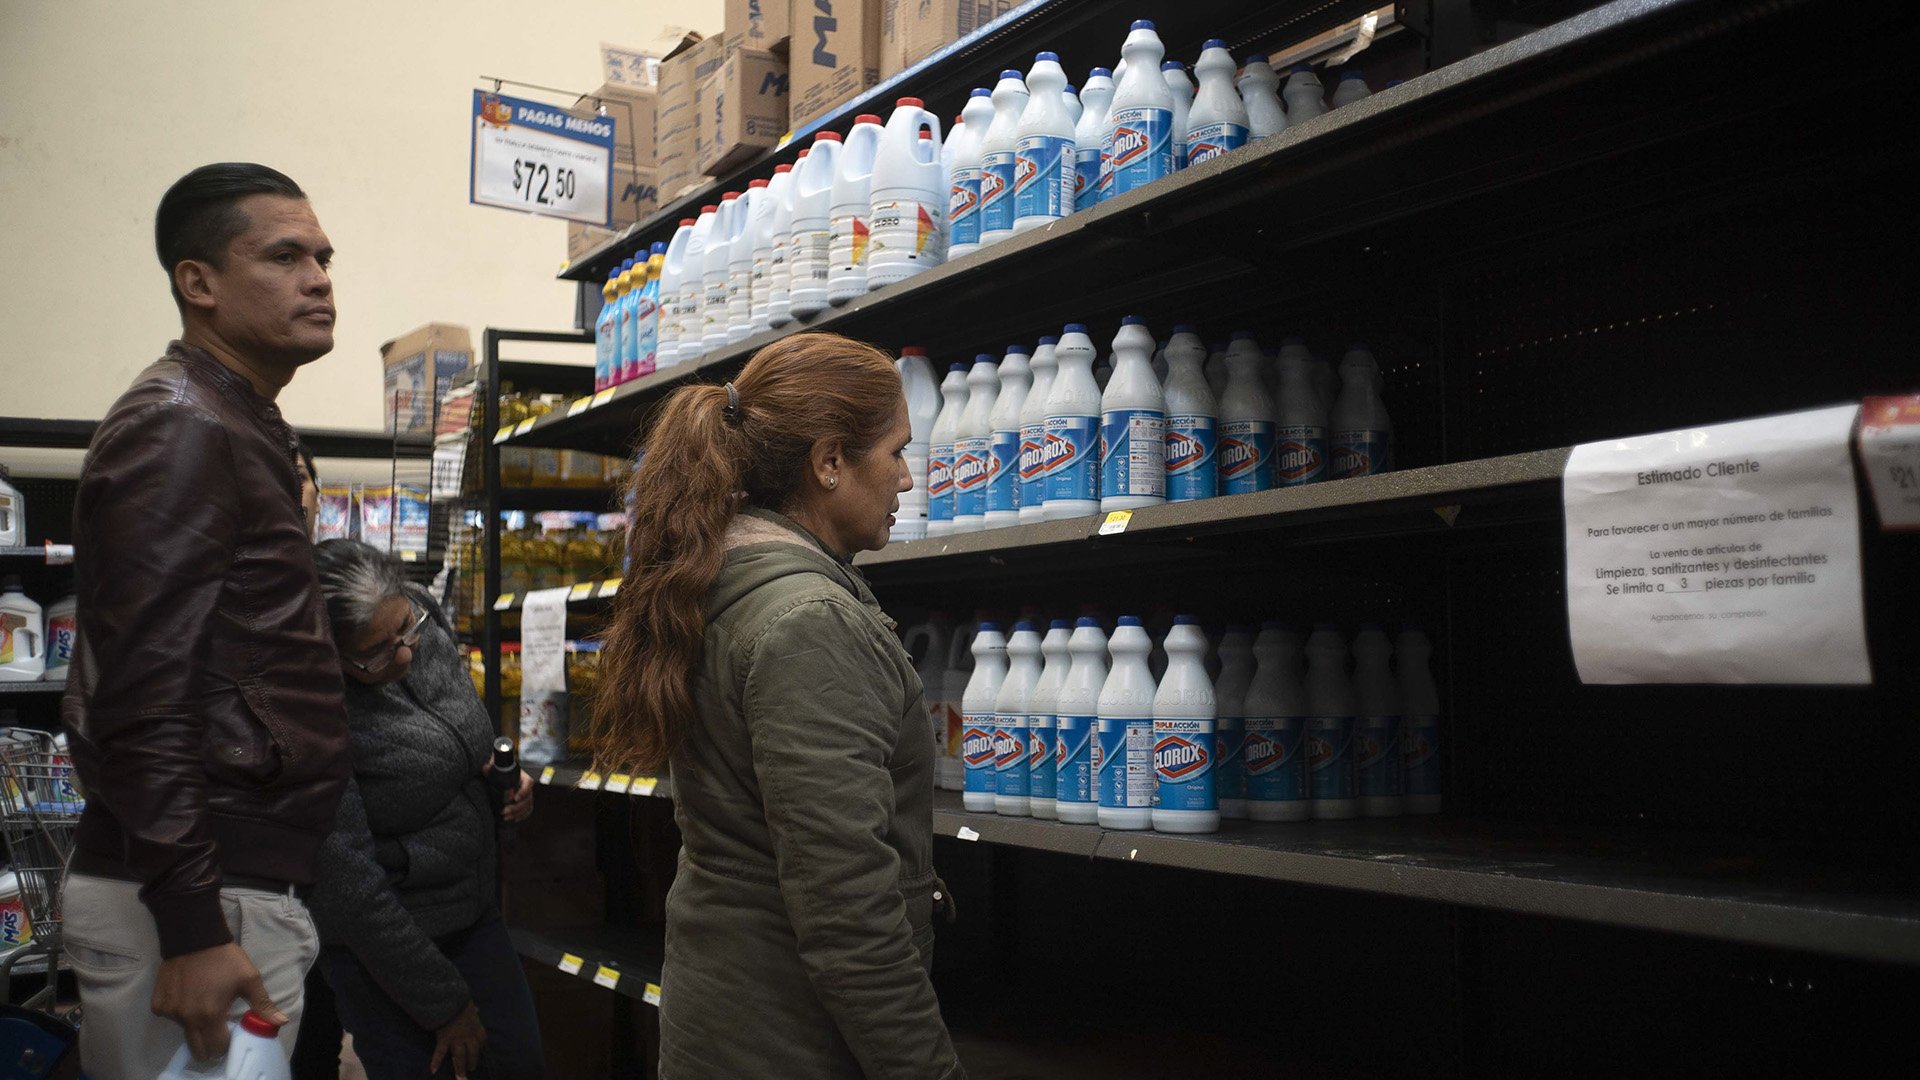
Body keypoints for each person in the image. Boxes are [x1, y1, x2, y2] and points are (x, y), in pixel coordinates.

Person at [595, 332, 965, 1079]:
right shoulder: (809, 624)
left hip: (733, 1016)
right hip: (785, 1038)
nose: (908, 479)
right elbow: (848, 918)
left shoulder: (725, 582)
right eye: (895, 452)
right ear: (830, 462)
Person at [60, 162, 351, 1078]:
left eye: (324, 256)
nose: (318, 277)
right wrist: (190, 923)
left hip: (227, 882)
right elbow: (142, 692)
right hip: (197, 901)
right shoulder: (183, 427)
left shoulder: (240, 420)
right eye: (284, 255)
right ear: (199, 283)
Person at [306, 539, 543, 1080]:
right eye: (378, 652)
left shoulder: (421, 617)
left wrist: (499, 776)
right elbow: (348, 887)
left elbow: (460, 736)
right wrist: (444, 1007)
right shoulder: (313, 712)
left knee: (520, 1065)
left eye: (405, 630)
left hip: (472, 910)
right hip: (385, 949)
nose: (406, 654)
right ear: (331, 654)